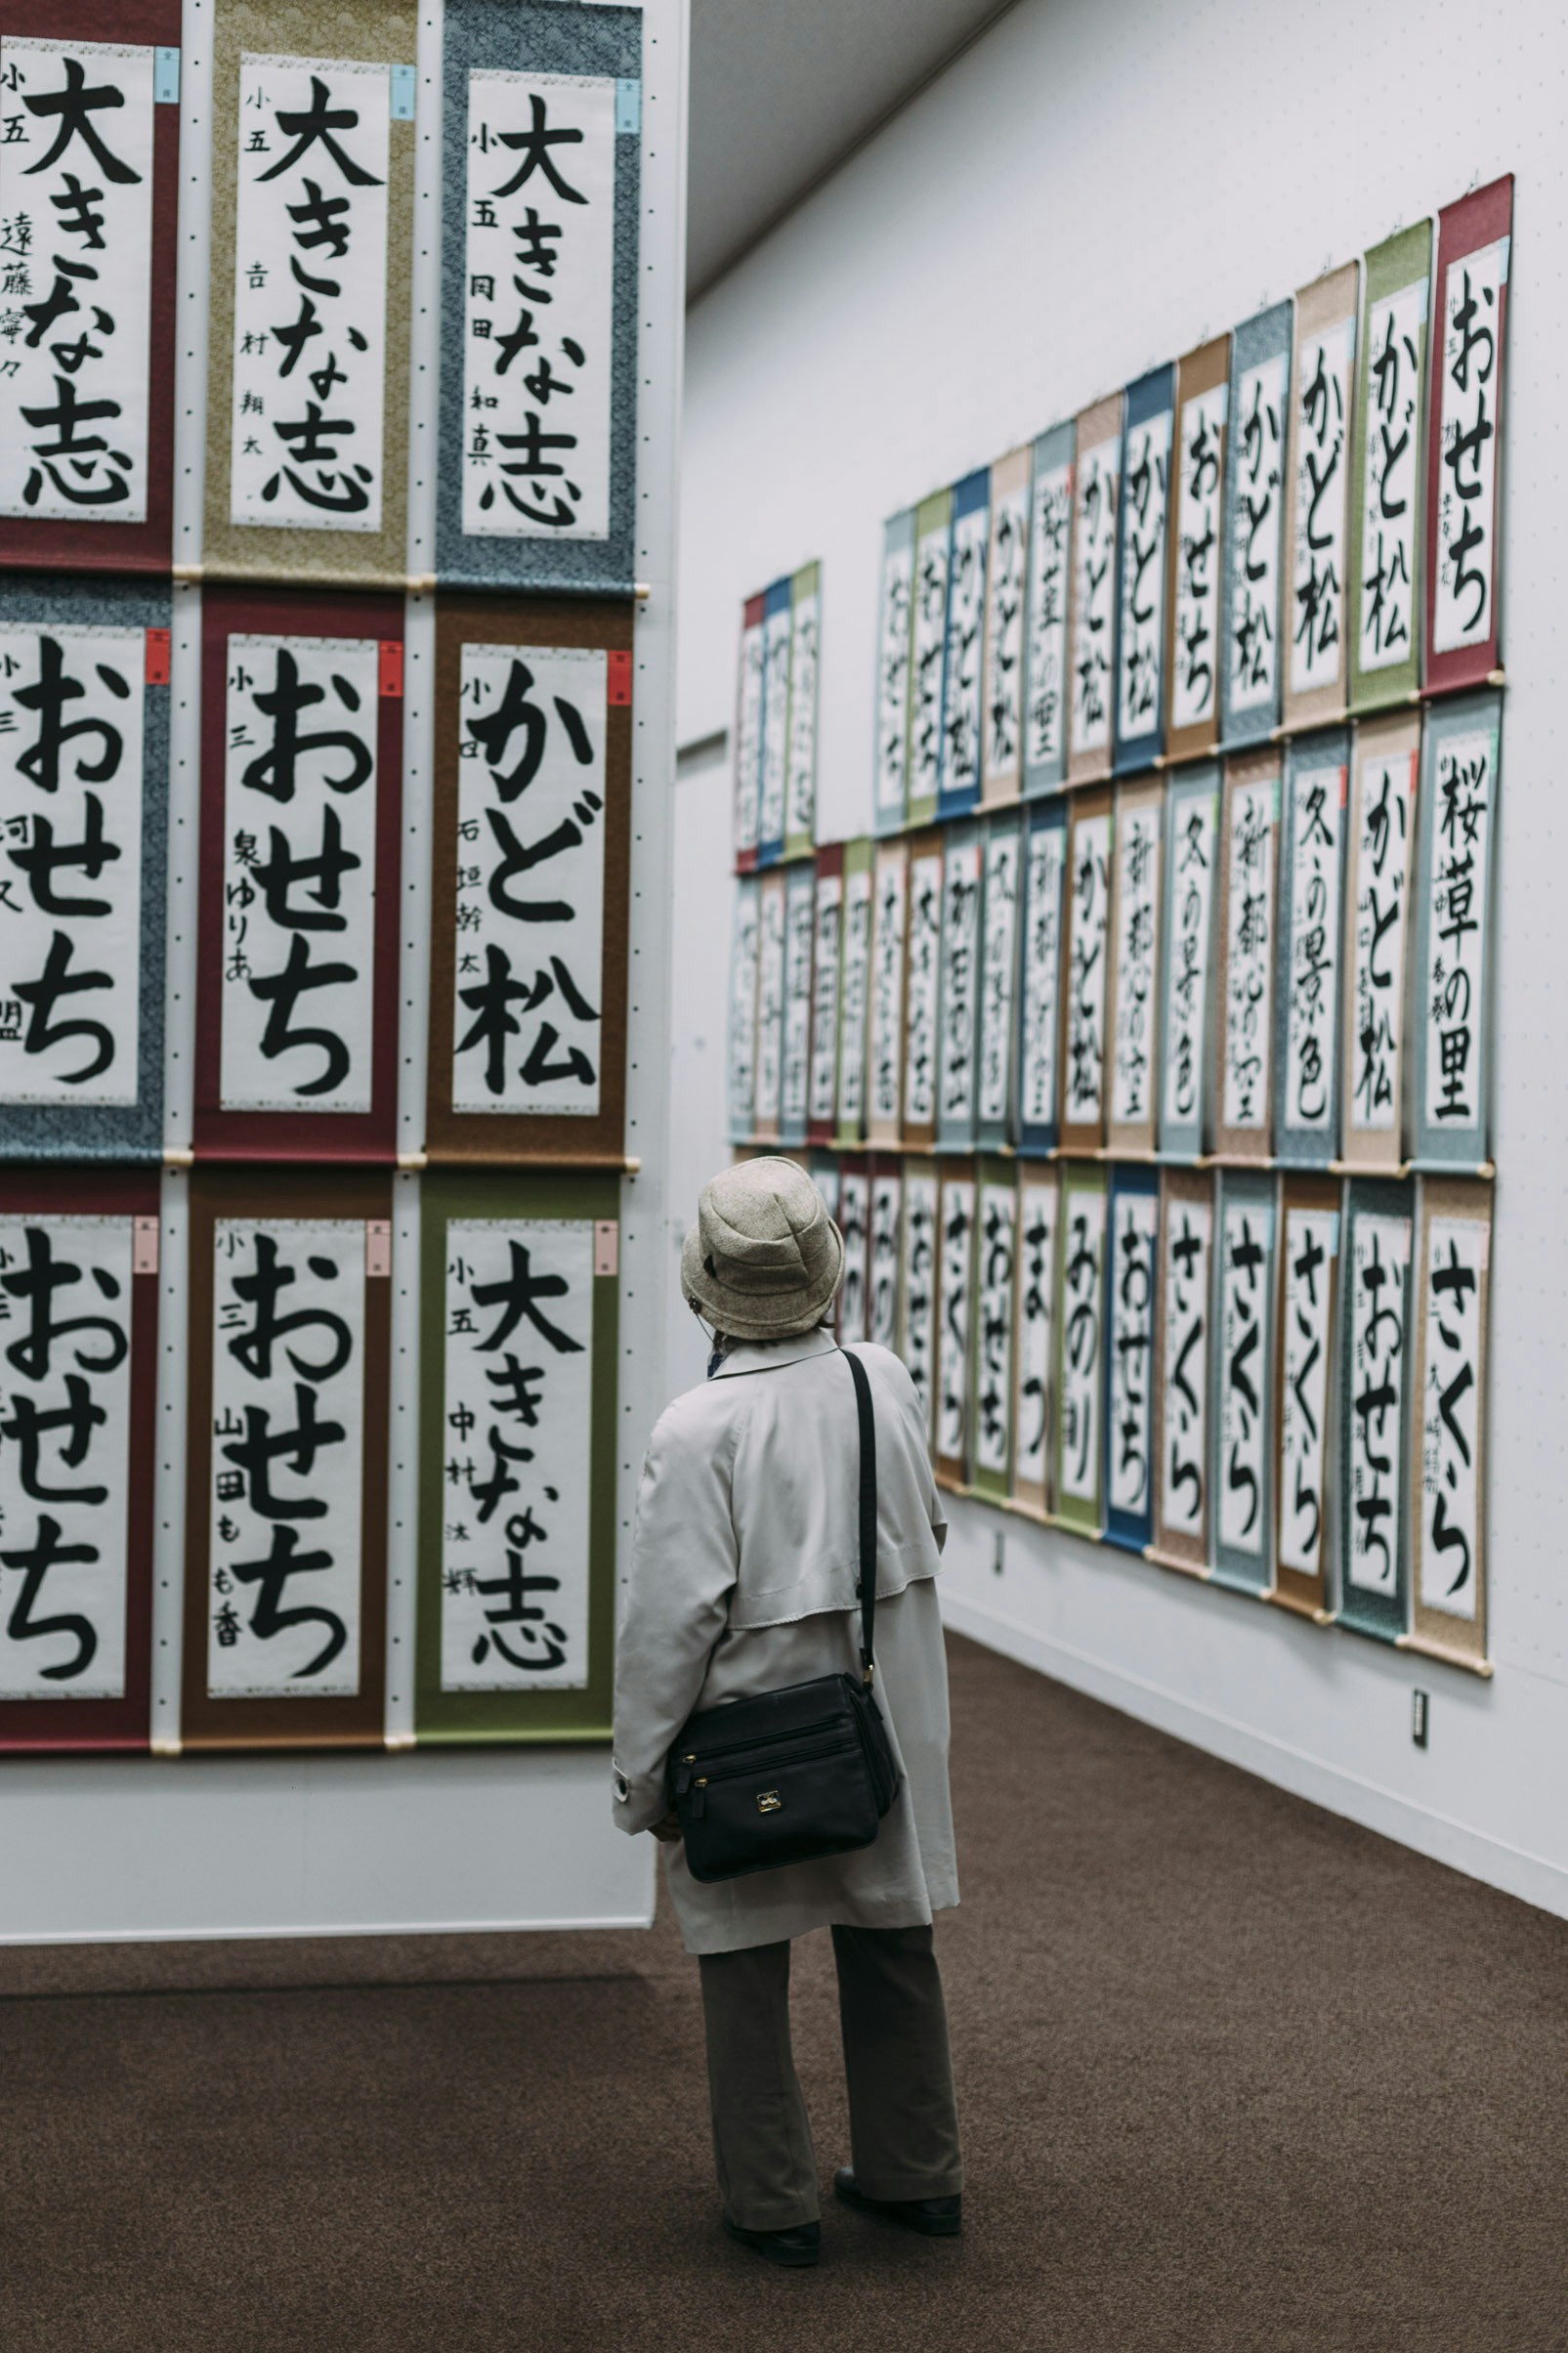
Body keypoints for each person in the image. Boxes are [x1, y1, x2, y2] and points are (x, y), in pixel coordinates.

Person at [612, 1156, 963, 2268]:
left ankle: (775, 2201)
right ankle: (917, 2172)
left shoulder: (697, 1427)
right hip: (883, 1714)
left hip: (746, 1731)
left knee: (746, 1959)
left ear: (707, 1285)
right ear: (823, 1271)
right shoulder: (882, 1376)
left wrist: (641, 1777)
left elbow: (669, 1627)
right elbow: (929, 1529)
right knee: (892, 1935)